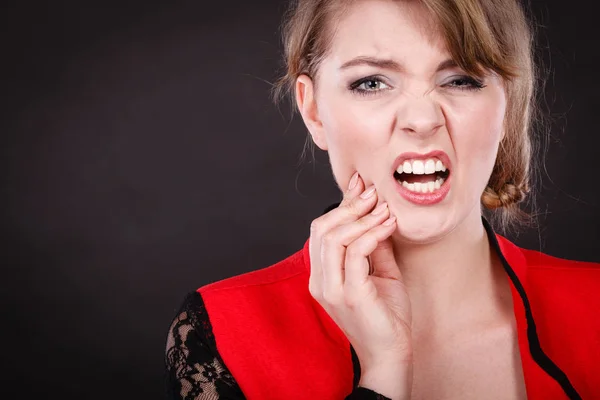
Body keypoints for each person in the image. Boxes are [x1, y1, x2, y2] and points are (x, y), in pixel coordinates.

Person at [164, 0, 600, 399]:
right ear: (313, 110)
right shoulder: (220, 332)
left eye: (461, 79)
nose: (422, 119)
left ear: (507, 104)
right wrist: (384, 372)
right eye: (371, 82)